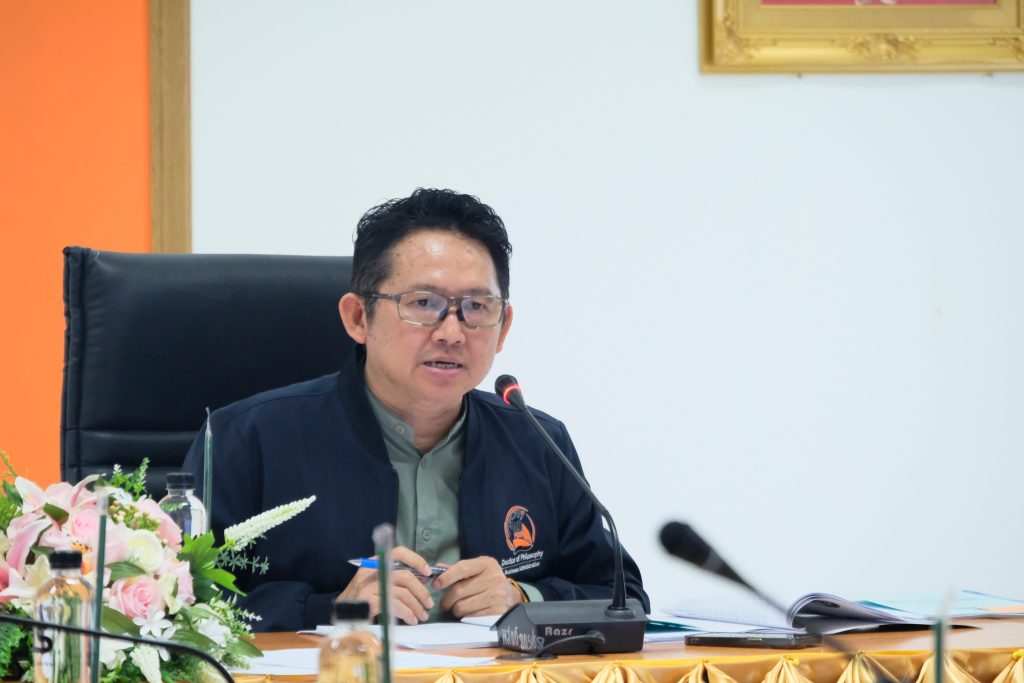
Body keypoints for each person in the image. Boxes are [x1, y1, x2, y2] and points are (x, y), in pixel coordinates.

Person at [182, 188, 648, 631]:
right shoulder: (245, 440)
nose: (452, 332)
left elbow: (622, 598)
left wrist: (521, 597)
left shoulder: (537, 442)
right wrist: (332, 607)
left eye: (476, 307)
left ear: (503, 328)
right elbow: (176, 605)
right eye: (424, 304)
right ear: (358, 318)